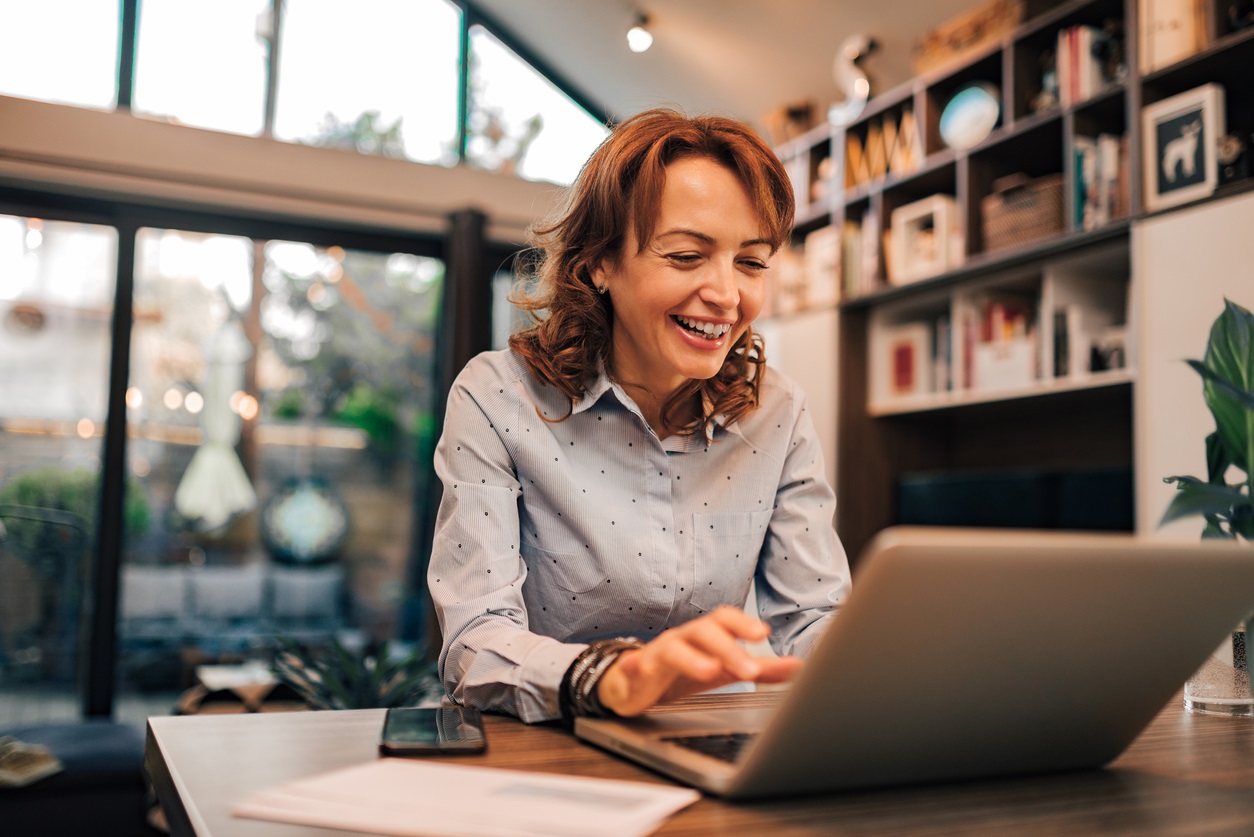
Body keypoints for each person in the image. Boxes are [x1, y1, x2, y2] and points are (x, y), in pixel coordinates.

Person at [428, 108, 851, 724]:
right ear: (598, 262)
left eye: (752, 262)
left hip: (707, 740)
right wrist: (613, 678)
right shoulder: (498, 398)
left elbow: (811, 618)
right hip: (546, 747)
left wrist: (884, 666)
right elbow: (474, 641)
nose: (728, 295)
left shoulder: (778, 413)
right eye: (685, 256)